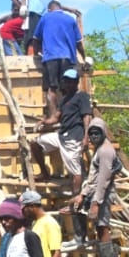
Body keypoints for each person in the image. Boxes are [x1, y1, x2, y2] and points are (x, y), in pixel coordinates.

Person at [71, 117, 121, 257]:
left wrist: (95, 203)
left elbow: (103, 181)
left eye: (97, 133)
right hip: (95, 192)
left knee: (102, 228)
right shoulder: (99, 150)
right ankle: (79, 239)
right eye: (91, 133)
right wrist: (83, 195)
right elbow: (93, 178)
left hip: (103, 195)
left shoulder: (105, 151)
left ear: (103, 133)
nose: (93, 136)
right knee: (75, 205)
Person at [33, 67, 92, 195]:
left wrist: (86, 137)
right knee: (35, 143)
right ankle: (45, 173)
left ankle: (76, 199)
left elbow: (87, 116)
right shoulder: (65, 100)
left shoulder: (81, 96)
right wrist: (43, 122)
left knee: (76, 172)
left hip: (73, 138)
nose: (69, 84)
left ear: (76, 83)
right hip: (61, 136)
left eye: (72, 81)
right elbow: (55, 118)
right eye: (67, 81)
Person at [31, 0, 85, 114]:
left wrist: (36, 54)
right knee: (68, 88)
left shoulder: (45, 18)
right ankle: (68, 114)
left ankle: (53, 115)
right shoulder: (70, 19)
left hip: (50, 57)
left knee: (51, 88)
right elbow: (79, 43)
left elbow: (35, 40)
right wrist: (84, 57)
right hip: (68, 58)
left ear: (49, 9)